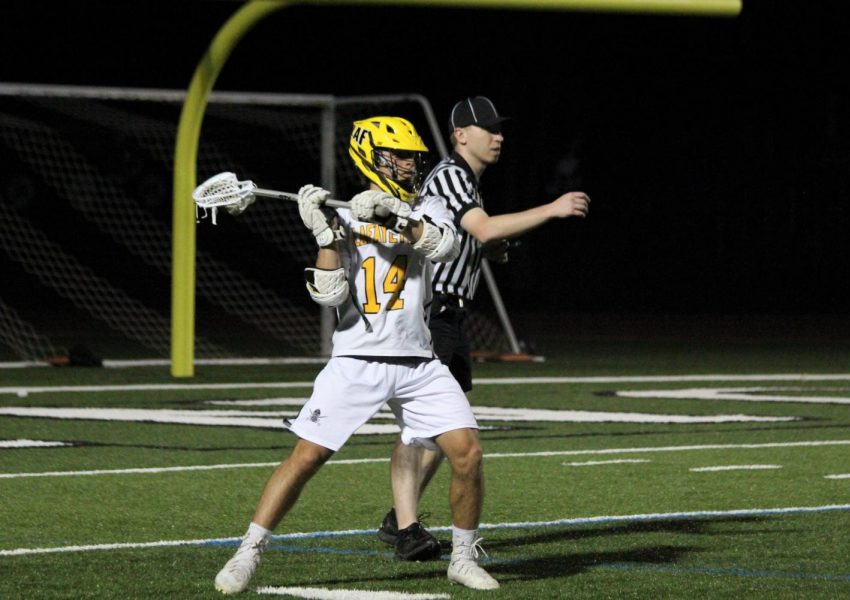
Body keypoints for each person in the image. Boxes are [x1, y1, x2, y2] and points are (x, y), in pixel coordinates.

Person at [214, 116, 499, 593]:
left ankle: (463, 558)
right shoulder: (341, 214)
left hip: (418, 362)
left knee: (467, 453)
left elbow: (443, 244)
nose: (410, 163)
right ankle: (248, 552)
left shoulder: (431, 205)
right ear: (373, 156)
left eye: (412, 155)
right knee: (306, 458)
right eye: (400, 155)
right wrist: (327, 237)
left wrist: (393, 215)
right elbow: (328, 295)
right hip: (357, 361)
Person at [377, 97, 591, 555]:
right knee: (422, 423)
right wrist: (550, 209)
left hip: (447, 315)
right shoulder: (453, 176)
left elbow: (468, 237)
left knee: (443, 423)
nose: (498, 136)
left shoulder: (465, 181)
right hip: (429, 315)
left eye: (499, 129)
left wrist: (486, 250)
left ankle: (401, 516)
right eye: (487, 129)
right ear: (460, 135)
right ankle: (405, 526)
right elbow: (484, 228)